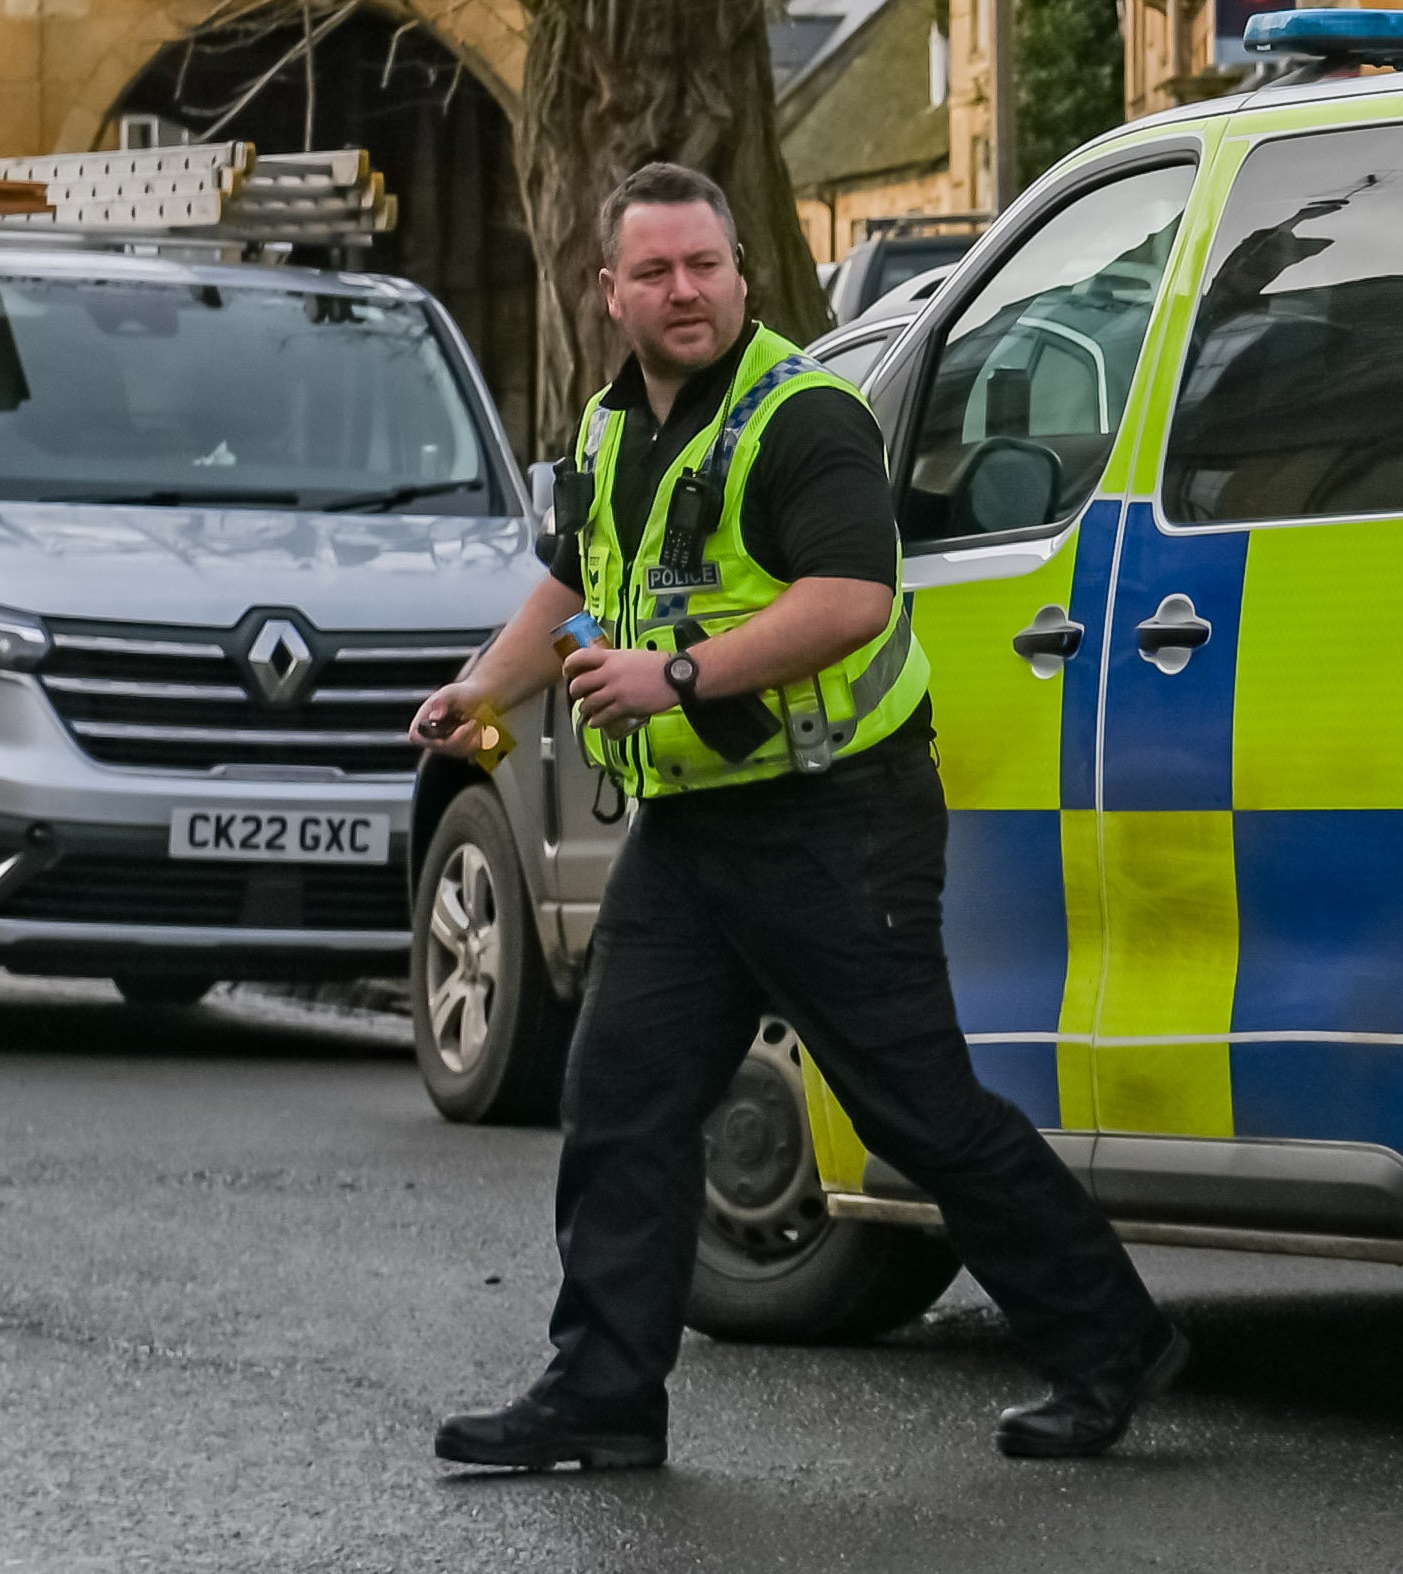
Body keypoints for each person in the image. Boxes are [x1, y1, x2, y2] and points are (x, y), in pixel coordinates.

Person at [413, 162, 1180, 1473]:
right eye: (653, 271)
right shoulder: (612, 429)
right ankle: (602, 1391)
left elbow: (851, 598)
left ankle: (1109, 1336)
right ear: (610, 292)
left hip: (839, 814)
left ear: (740, 271)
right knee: (621, 1099)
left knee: (915, 1110)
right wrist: (485, 688)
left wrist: (676, 674)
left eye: (704, 263)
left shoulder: (800, 413)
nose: (684, 290)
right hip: (699, 826)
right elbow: (575, 581)